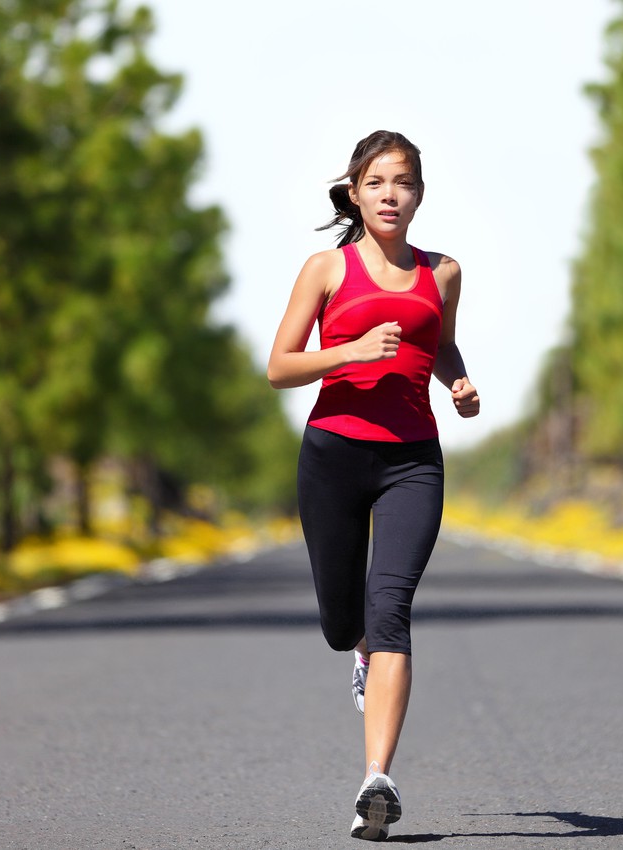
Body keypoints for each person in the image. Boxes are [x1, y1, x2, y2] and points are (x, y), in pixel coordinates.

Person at [267, 130, 480, 841]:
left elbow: (439, 337)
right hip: (332, 456)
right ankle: (356, 652)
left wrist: (457, 379)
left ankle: (376, 781)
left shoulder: (442, 271)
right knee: (341, 622)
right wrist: (349, 352)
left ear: (420, 194)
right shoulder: (326, 268)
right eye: (378, 182)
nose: (393, 195)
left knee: (392, 607)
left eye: (406, 183)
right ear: (355, 192)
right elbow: (280, 366)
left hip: (412, 460)